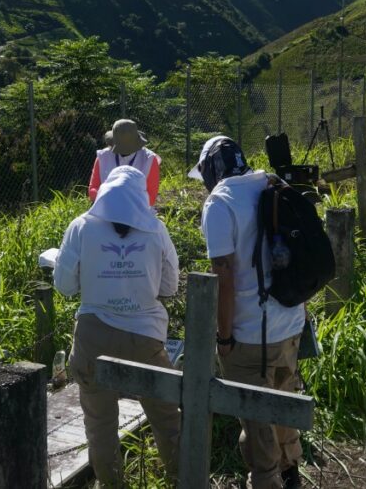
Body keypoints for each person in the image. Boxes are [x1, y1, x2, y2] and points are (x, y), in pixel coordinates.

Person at [189, 136, 305, 489]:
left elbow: (223, 274)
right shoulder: (273, 182)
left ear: (211, 170)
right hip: (291, 321)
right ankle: (291, 473)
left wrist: (224, 337)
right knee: (283, 403)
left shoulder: (220, 203)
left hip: (250, 333)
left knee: (257, 425)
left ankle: (267, 480)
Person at [55, 166, 181, 487]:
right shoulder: (156, 230)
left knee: (100, 424)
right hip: (145, 338)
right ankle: (180, 479)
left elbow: (65, 285)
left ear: (106, 193)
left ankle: (112, 484)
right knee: (166, 419)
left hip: (93, 337)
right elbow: (169, 286)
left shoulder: (81, 227)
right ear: (141, 196)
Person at [88, 119, 161, 205]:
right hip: (106, 206)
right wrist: (108, 198)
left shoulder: (149, 159)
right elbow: (93, 188)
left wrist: (125, 203)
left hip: (138, 211)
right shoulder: (103, 156)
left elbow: (151, 196)